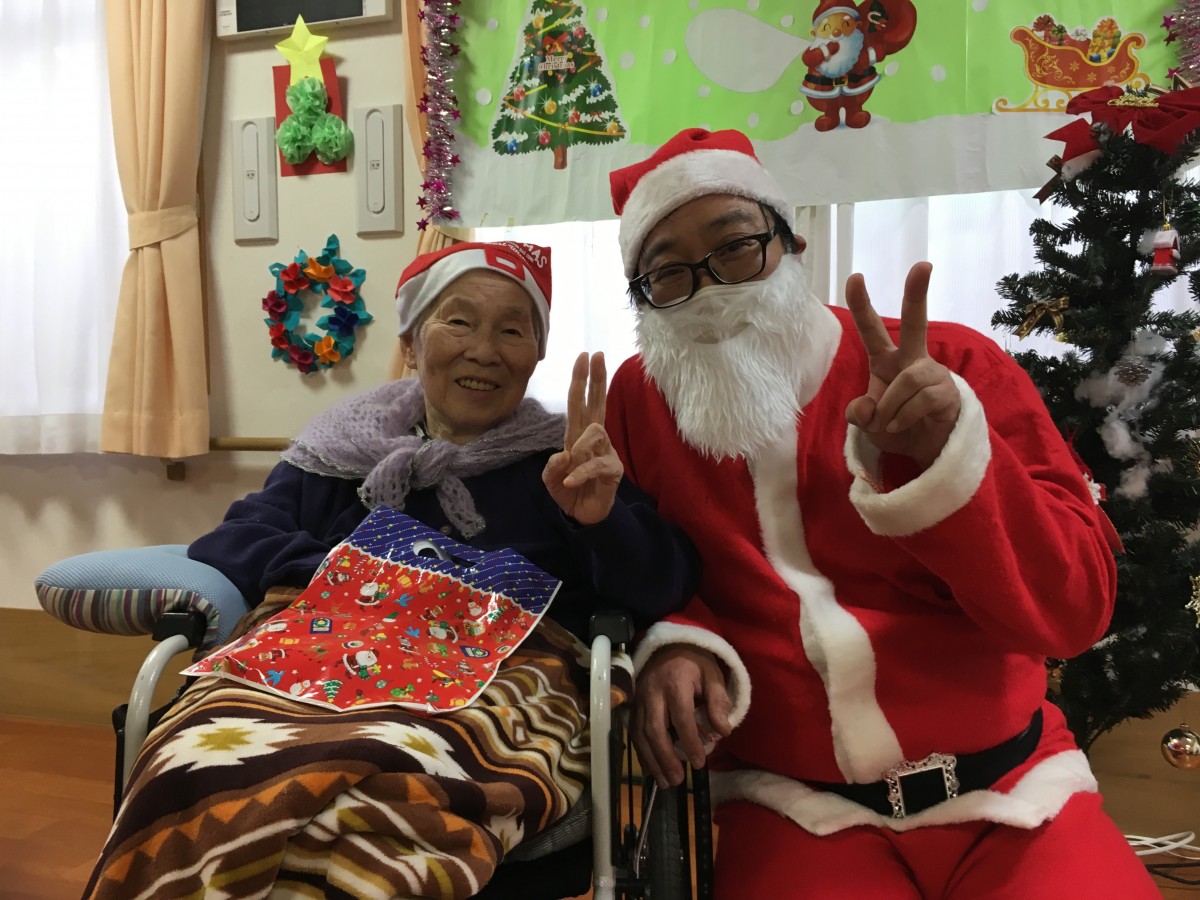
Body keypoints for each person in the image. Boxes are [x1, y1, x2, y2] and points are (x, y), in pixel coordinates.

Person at [603, 127, 1158, 897]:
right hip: (793, 809)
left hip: (1018, 793)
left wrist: (950, 460)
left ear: (790, 240)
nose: (712, 291)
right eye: (668, 273)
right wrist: (673, 640)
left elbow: (1075, 611)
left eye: (735, 247)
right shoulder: (638, 400)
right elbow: (638, 561)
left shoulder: (953, 366)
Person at [83, 240, 700, 900]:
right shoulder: (341, 448)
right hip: (311, 659)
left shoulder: (565, 461)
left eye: (512, 330)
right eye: (458, 321)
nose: (484, 350)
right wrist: (365, 575)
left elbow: (663, 582)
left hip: (494, 682)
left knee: (394, 803)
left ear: (536, 354)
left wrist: (601, 521)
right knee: (192, 766)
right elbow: (239, 536)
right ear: (409, 341)